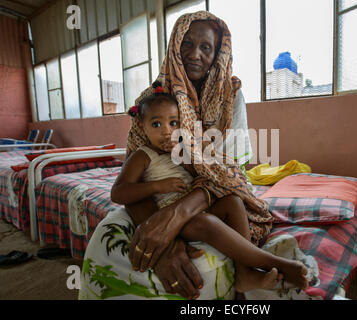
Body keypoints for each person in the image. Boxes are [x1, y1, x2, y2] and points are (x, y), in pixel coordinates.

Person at [79, 11, 306, 300]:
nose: (195, 54)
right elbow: (131, 180)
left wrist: (177, 215)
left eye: (206, 47)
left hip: (211, 199)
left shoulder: (230, 97)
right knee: (107, 235)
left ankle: (246, 271)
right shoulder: (152, 100)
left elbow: (230, 175)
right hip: (159, 204)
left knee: (234, 202)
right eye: (187, 44)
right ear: (174, 45)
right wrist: (163, 241)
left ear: (217, 53)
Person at [110, 82, 308, 293]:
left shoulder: (180, 151)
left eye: (173, 123)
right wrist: (156, 186)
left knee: (233, 201)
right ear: (141, 125)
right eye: (156, 124)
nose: (167, 131)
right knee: (207, 223)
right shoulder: (142, 156)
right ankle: (270, 262)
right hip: (172, 217)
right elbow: (119, 192)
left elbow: (204, 173)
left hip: (194, 208)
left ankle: (244, 272)